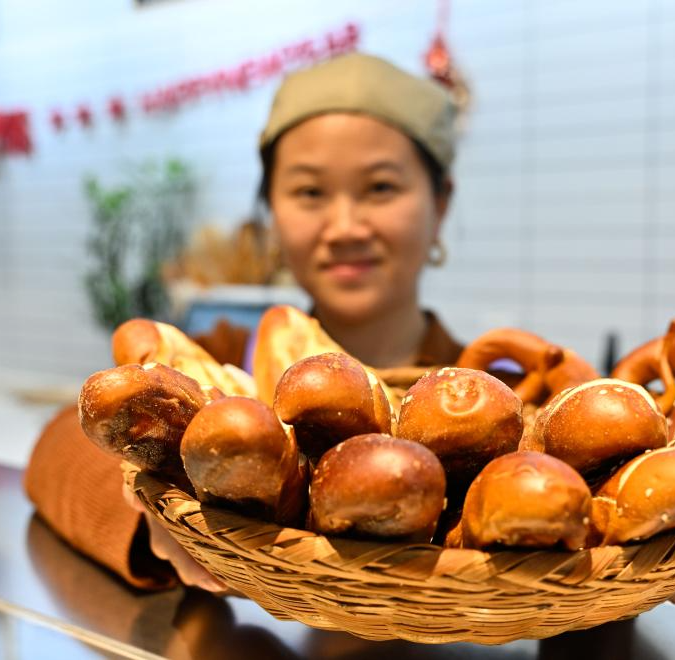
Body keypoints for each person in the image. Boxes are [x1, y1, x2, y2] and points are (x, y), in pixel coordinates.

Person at [24, 52, 465, 591]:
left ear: (440, 204)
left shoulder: (494, 394)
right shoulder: (228, 361)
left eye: (380, 188)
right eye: (309, 192)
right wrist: (151, 518)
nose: (345, 227)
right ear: (272, 212)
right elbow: (58, 445)